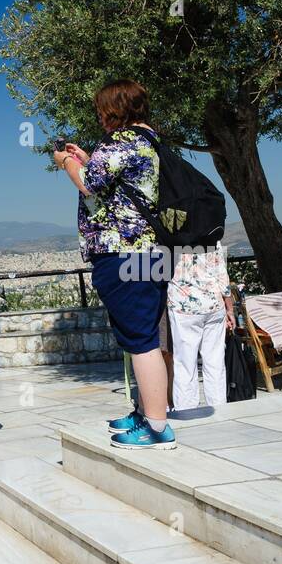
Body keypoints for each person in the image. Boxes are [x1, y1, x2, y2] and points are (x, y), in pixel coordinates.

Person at [53, 79, 177, 451]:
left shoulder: (122, 141)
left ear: (115, 110)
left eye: (102, 111)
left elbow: (89, 186)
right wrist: (89, 160)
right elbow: (117, 186)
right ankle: (146, 412)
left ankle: (157, 427)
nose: (100, 118)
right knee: (142, 336)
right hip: (149, 253)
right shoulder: (150, 141)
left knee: (141, 341)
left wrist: (66, 163)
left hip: (125, 254)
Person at [168, 242, 236, 413]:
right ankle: (220, 410)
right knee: (215, 361)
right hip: (214, 305)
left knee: (185, 364)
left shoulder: (169, 237)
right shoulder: (213, 238)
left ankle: (186, 411)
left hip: (183, 306)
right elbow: (222, 277)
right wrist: (230, 309)